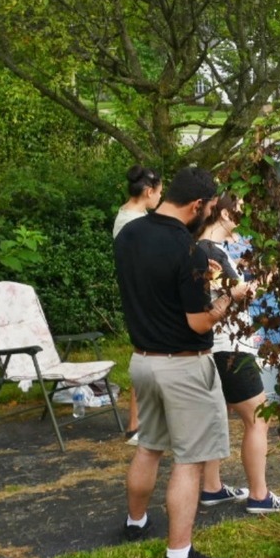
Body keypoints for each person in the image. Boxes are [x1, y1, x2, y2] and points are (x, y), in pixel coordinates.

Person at [114, 166, 251, 558]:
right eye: (209, 208)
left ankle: (135, 522)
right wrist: (231, 299)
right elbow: (198, 322)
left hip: (141, 361)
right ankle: (178, 554)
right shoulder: (188, 251)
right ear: (197, 205)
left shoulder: (128, 234)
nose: (209, 214)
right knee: (189, 460)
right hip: (183, 367)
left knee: (150, 446)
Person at [196, 195, 280, 514]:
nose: (242, 215)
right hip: (230, 347)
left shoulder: (205, 249)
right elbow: (236, 295)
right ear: (223, 212)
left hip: (219, 345)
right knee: (257, 417)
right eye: (239, 210)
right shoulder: (209, 251)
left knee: (217, 416)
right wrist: (268, 278)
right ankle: (260, 496)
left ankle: (212, 487)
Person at [111, 164, 163, 446]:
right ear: (148, 191)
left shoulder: (135, 214)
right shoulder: (131, 221)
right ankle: (135, 424)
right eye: (159, 192)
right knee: (144, 351)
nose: (160, 198)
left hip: (141, 291)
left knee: (145, 352)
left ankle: (140, 421)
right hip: (141, 292)